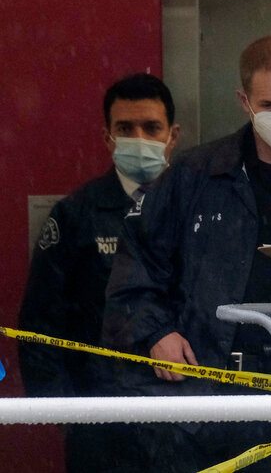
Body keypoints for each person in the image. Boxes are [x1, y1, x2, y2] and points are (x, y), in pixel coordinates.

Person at [103, 36, 271, 472]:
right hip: (201, 399)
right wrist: (155, 334)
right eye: (268, 104)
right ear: (244, 101)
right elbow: (136, 269)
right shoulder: (193, 177)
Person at [19, 73, 180, 472]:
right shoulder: (77, 216)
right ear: (107, 137)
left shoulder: (198, 211)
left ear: (172, 135)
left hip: (186, 417)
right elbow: (39, 324)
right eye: (125, 129)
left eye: (151, 128)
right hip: (101, 419)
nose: (139, 138)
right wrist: (65, 414)